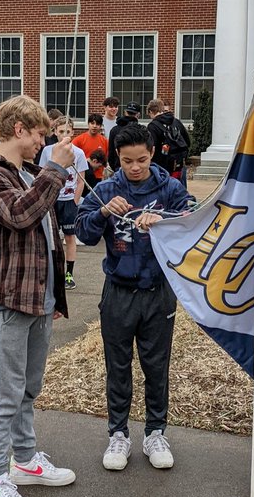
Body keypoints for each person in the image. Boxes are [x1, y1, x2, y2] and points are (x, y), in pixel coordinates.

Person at [0, 95, 77, 497]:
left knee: (29, 388)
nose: (42, 142)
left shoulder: (32, 174)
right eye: (38, 134)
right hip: (10, 299)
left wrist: (54, 298)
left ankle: (25, 460)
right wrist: (56, 169)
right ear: (19, 129)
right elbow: (20, 216)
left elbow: (49, 240)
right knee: (4, 393)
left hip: (39, 298)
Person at [76, 121, 193, 473]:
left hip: (158, 291)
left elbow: (193, 218)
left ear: (153, 153)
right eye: (127, 161)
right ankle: (118, 434)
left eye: (141, 159)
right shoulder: (106, 188)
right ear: (118, 158)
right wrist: (102, 211)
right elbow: (83, 231)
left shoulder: (170, 186)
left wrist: (164, 217)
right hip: (119, 290)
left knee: (157, 365)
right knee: (118, 365)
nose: (136, 167)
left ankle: (156, 432)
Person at [38, 115, 88, 289]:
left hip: (68, 201)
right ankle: (51, 272)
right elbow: (42, 174)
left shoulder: (79, 153)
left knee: (69, 237)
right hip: (52, 200)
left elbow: (81, 179)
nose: (64, 134)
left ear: (72, 132)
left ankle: (69, 274)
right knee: (50, 237)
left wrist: (74, 201)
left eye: (67, 131)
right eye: (60, 131)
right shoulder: (47, 151)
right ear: (55, 132)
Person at [145, 98, 191, 187]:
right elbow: (187, 141)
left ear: (151, 111)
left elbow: (151, 148)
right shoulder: (176, 122)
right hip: (179, 164)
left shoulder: (153, 126)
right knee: (179, 192)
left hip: (162, 168)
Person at [106, 101, 142, 170]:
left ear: (125, 112)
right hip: (136, 168)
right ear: (138, 115)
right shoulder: (140, 130)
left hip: (119, 167)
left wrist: (115, 167)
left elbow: (111, 153)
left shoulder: (114, 130)